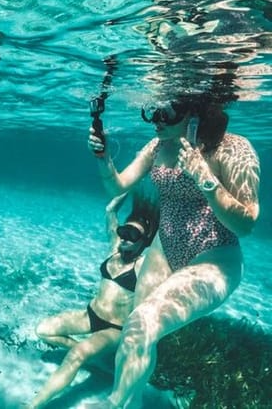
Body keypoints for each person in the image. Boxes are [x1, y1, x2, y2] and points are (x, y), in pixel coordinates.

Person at [85, 98, 260, 408]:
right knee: (137, 330)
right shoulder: (158, 145)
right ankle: (132, 402)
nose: (156, 118)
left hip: (214, 256)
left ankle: (113, 404)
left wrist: (204, 177)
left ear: (194, 112)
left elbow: (246, 223)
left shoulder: (233, 148)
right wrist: (103, 157)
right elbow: (117, 186)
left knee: (142, 322)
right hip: (164, 250)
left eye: (166, 112)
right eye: (152, 110)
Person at [28, 188, 159, 409]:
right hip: (90, 315)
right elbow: (110, 213)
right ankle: (97, 362)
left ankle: (33, 405)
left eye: (133, 235)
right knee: (43, 330)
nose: (126, 238)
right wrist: (125, 187)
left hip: (115, 329)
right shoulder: (114, 248)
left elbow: (162, 245)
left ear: (145, 240)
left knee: (77, 354)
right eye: (124, 232)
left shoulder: (144, 264)